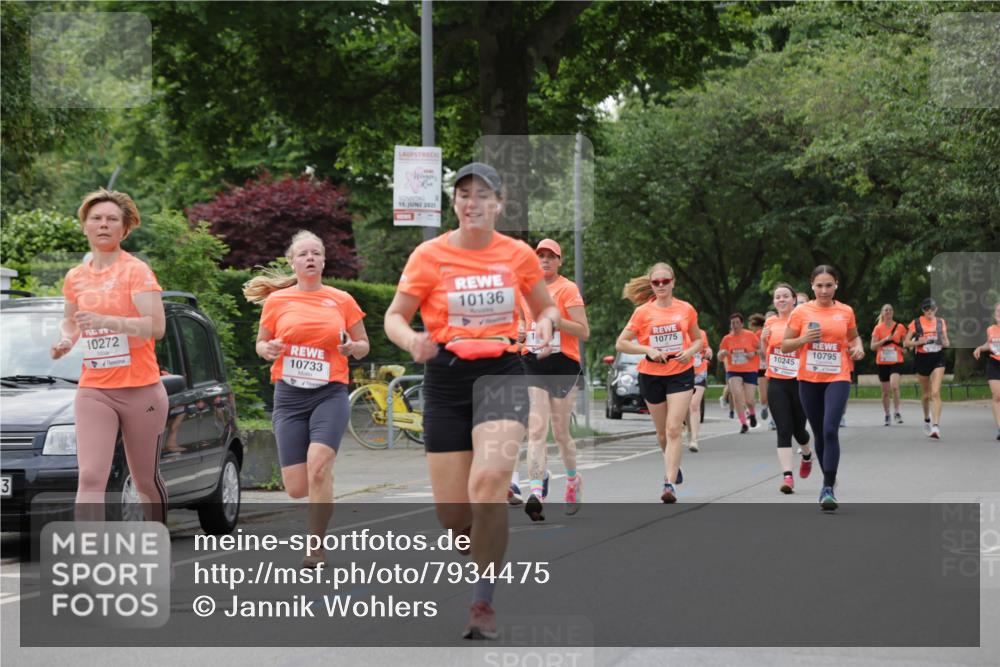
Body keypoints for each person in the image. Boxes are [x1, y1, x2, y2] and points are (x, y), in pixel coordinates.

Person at [384, 162, 560, 640]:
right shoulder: (429, 255)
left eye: (483, 195)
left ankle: (482, 602)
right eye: (464, 194)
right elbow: (395, 316)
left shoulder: (518, 255)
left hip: (501, 373)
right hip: (444, 378)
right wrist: (411, 340)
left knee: (486, 485)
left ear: (499, 204)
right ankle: (472, 538)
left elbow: (545, 306)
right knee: (453, 514)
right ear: (455, 203)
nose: (473, 202)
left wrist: (544, 325)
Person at [245, 230, 369, 568]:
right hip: (289, 396)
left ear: (324, 261)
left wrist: (350, 348)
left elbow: (363, 345)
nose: (310, 258)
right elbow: (261, 343)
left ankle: (315, 547)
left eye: (316, 253)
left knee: (317, 464)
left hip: (330, 392)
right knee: (297, 487)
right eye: (303, 254)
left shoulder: (342, 299)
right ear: (293, 262)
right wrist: (267, 349)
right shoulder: (277, 301)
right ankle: (321, 478)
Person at [51, 189, 168, 522]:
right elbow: (71, 320)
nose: (103, 224)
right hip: (95, 389)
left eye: (112, 219)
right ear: (85, 226)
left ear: (124, 229)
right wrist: (65, 339)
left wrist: (107, 321)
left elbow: (156, 326)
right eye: (96, 218)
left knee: (145, 479)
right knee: (90, 477)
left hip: (141, 389)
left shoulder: (136, 271)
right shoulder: (76, 276)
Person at [615, 262, 702, 503]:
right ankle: (672, 463)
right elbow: (621, 343)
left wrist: (690, 352)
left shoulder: (686, 309)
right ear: (651, 284)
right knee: (663, 434)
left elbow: (697, 340)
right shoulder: (643, 312)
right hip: (651, 374)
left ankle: (669, 483)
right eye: (656, 282)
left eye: (665, 281)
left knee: (674, 429)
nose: (661, 285)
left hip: (680, 372)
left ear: (673, 282)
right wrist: (647, 349)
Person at [782, 265, 864, 511]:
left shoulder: (846, 311)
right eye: (819, 285)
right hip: (809, 378)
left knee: (830, 430)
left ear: (836, 284)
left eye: (829, 285)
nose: (824, 290)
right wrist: (802, 340)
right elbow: (785, 345)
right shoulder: (801, 312)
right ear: (812, 286)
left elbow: (854, 337)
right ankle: (828, 475)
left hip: (838, 375)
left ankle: (828, 487)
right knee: (818, 432)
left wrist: (858, 347)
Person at [520, 239, 589, 518]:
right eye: (541, 256)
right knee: (536, 429)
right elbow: (522, 322)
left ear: (559, 261)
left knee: (561, 434)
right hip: (533, 360)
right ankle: (536, 491)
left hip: (563, 363)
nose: (545, 260)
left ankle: (572, 480)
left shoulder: (567, 288)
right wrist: (520, 333)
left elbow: (584, 332)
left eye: (551, 256)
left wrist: (557, 320)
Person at [761, 283, 813, 494]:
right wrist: (764, 339)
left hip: (799, 380)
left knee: (798, 430)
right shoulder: (770, 322)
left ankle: (807, 454)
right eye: (777, 297)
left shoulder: (802, 321)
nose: (781, 300)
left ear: (793, 300)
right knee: (783, 429)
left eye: (785, 296)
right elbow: (766, 353)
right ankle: (787, 477)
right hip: (777, 380)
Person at [904, 297, 950, 439]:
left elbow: (947, 342)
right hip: (922, 359)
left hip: (938, 357)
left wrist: (943, 341)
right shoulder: (916, 323)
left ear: (936, 309)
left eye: (931, 308)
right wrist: (919, 341)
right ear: (923, 310)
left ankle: (936, 427)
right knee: (926, 395)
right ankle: (926, 419)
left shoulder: (941, 322)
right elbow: (906, 343)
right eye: (926, 308)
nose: (929, 311)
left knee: (935, 392)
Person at [718, 313, 759, 433]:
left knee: (750, 400)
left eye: (737, 323)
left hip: (750, 370)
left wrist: (754, 353)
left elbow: (762, 349)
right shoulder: (727, 338)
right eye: (732, 323)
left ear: (742, 324)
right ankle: (743, 424)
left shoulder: (750, 335)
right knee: (736, 395)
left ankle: (752, 414)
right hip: (733, 370)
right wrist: (722, 354)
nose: (734, 325)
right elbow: (720, 356)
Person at [871, 303, 906, 426]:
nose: (888, 312)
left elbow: (906, 342)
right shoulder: (878, 328)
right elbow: (872, 347)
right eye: (886, 310)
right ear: (882, 313)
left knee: (894, 386)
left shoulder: (900, 327)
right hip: (882, 361)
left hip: (896, 360)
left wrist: (906, 348)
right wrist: (884, 340)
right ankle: (887, 414)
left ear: (893, 312)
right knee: (885, 391)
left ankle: (897, 412)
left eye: (890, 310)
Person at [972, 302, 1000, 440]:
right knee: (997, 395)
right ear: (995, 314)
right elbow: (989, 344)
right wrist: (980, 348)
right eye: (998, 311)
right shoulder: (991, 329)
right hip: (994, 363)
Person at [686, 329, 712, 452]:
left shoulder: (701, 333)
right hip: (683, 373)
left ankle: (694, 440)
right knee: (686, 407)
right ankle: (690, 430)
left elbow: (707, 348)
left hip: (700, 371)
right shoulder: (679, 333)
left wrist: (708, 352)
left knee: (694, 405)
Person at [748, 313, 770, 426]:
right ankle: (765, 407)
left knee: (773, 394)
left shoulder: (777, 331)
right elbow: (754, 349)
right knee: (764, 396)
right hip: (761, 367)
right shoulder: (757, 334)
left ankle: (773, 419)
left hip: (771, 366)